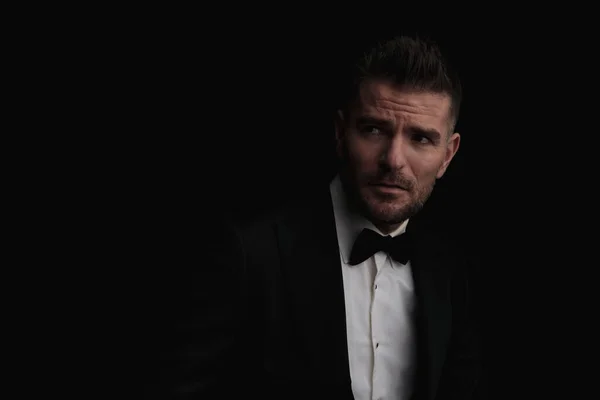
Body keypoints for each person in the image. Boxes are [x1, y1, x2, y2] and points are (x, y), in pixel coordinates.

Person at [161, 34, 486, 400]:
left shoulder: (451, 269)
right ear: (340, 132)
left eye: (421, 139)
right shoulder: (251, 253)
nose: (393, 160)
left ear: (447, 155)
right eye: (374, 129)